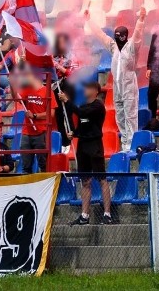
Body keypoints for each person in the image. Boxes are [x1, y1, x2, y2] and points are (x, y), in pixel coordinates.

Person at [87, 7, 146, 152]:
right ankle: (125, 143)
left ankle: (131, 144)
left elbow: (138, 36)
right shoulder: (113, 47)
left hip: (129, 84)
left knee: (130, 115)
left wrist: (141, 20)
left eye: (119, 35)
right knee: (120, 115)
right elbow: (101, 35)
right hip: (117, 86)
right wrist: (89, 20)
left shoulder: (132, 47)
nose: (116, 37)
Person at [64, 81, 116, 225]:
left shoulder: (98, 106)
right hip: (83, 146)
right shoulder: (83, 106)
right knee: (85, 180)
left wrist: (67, 101)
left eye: (88, 87)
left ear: (95, 91)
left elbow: (82, 113)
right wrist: (73, 133)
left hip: (95, 145)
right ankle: (84, 215)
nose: (85, 89)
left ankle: (107, 214)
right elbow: (81, 126)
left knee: (101, 178)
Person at [16, 69, 57, 173]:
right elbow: (16, 98)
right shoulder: (27, 90)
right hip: (26, 132)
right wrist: (12, 85)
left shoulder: (48, 91)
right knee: (26, 166)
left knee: (43, 164)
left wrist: (34, 116)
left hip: (41, 131)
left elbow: (51, 114)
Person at [52, 32, 77, 149]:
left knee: (67, 112)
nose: (62, 44)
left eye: (64, 42)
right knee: (58, 115)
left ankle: (71, 139)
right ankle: (64, 143)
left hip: (69, 85)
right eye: (59, 42)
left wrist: (59, 67)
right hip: (55, 86)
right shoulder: (52, 56)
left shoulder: (72, 55)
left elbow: (73, 73)